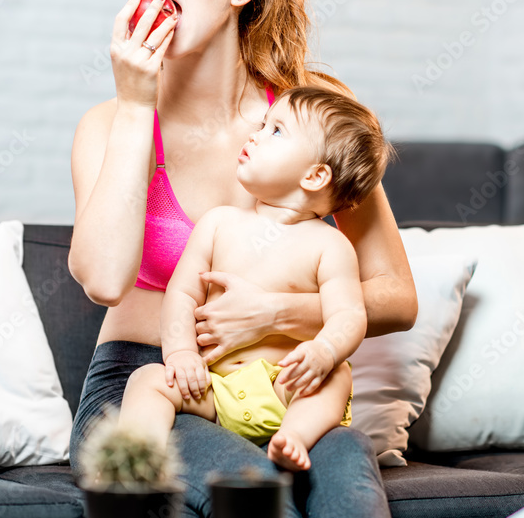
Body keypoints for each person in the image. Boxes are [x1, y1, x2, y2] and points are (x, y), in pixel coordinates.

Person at [66, 0, 416, 518]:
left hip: (284, 386)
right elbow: (103, 279)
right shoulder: (109, 124)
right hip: (151, 383)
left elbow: (395, 296)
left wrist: (276, 313)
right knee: (256, 497)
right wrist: (138, 105)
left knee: (350, 491)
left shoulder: (310, 119)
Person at [117, 87, 394, 474]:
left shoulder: (331, 247)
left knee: (338, 375)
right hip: (215, 388)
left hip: (287, 388)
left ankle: (294, 437)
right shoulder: (219, 224)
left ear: (315, 176)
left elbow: (350, 315)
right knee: (148, 379)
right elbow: (182, 294)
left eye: (276, 131)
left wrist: (325, 351)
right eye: (264, 124)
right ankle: (133, 458)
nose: (255, 134)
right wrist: (180, 354)